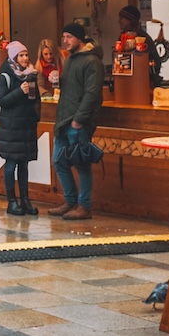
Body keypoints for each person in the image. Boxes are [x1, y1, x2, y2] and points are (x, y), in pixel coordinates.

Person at [48, 23, 104, 221]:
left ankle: (85, 206)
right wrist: (56, 79)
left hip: (77, 121)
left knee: (82, 164)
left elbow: (92, 93)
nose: (65, 40)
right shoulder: (70, 59)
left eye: (69, 36)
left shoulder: (92, 62)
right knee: (58, 161)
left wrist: (79, 120)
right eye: (64, 36)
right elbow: (70, 86)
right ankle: (70, 201)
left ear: (79, 38)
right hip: (63, 119)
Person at [0, 40, 40, 216]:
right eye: (21, 55)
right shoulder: (5, 75)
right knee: (11, 163)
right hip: (11, 127)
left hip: (27, 125)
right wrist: (19, 91)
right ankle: (11, 201)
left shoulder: (31, 75)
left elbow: (35, 98)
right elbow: (1, 100)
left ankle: (25, 201)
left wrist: (36, 115)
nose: (25, 58)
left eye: (26, 54)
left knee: (24, 165)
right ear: (13, 57)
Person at [117, 5, 162, 86]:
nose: (119, 21)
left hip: (142, 82)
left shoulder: (141, 37)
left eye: (122, 19)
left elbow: (150, 60)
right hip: (127, 80)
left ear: (130, 20)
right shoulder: (123, 36)